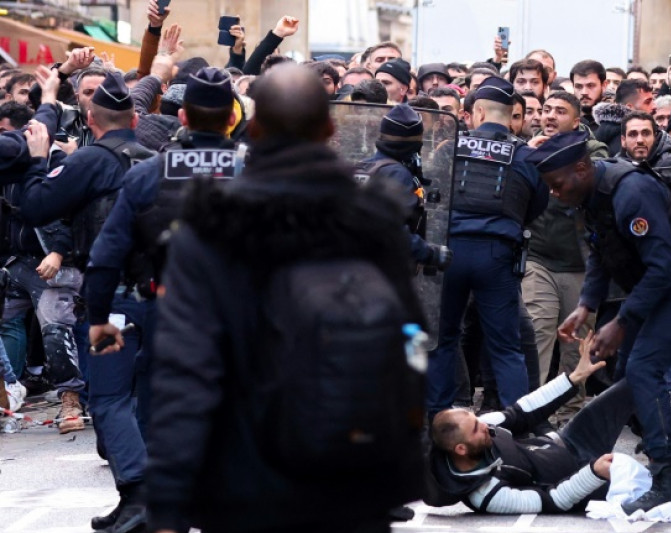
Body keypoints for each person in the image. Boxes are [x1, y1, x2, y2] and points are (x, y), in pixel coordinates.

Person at [147, 63, 425, 533]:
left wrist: (167, 501)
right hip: (356, 483)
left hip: (246, 481)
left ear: (253, 127)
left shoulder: (215, 226)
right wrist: (398, 451)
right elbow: (414, 340)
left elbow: (187, 370)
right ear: (330, 129)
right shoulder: (372, 220)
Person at [81, 67, 238, 531]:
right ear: (231, 117)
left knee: (154, 406)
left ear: (184, 116)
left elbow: (106, 256)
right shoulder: (257, 172)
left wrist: (97, 319)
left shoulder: (149, 173)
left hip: (160, 309)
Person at [530, 130, 671, 513]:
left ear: (581, 168)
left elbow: (664, 267)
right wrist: (586, 305)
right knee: (630, 373)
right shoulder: (593, 194)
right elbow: (600, 250)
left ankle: (667, 478)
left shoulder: (630, 192)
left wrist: (622, 322)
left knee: (643, 370)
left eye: (557, 185)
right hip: (655, 285)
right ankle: (667, 457)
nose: (554, 193)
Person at [17, 69, 155, 530]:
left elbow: (36, 206)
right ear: (134, 118)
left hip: (112, 297)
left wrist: (39, 159)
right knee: (148, 397)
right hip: (162, 298)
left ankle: (138, 495)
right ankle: (150, 494)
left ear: (91, 120)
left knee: (111, 399)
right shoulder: (157, 159)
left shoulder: (90, 161)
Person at [426, 76, 548, 419]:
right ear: (512, 116)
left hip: (449, 253)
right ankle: (516, 426)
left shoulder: (450, 147)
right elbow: (536, 206)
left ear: (477, 111)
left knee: (444, 338)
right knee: (507, 347)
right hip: (497, 255)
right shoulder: (526, 156)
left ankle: (437, 418)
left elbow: (433, 197)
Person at [354, 103, 452, 269]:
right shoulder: (398, 174)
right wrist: (429, 253)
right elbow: (390, 231)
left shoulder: (362, 167)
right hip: (381, 271)